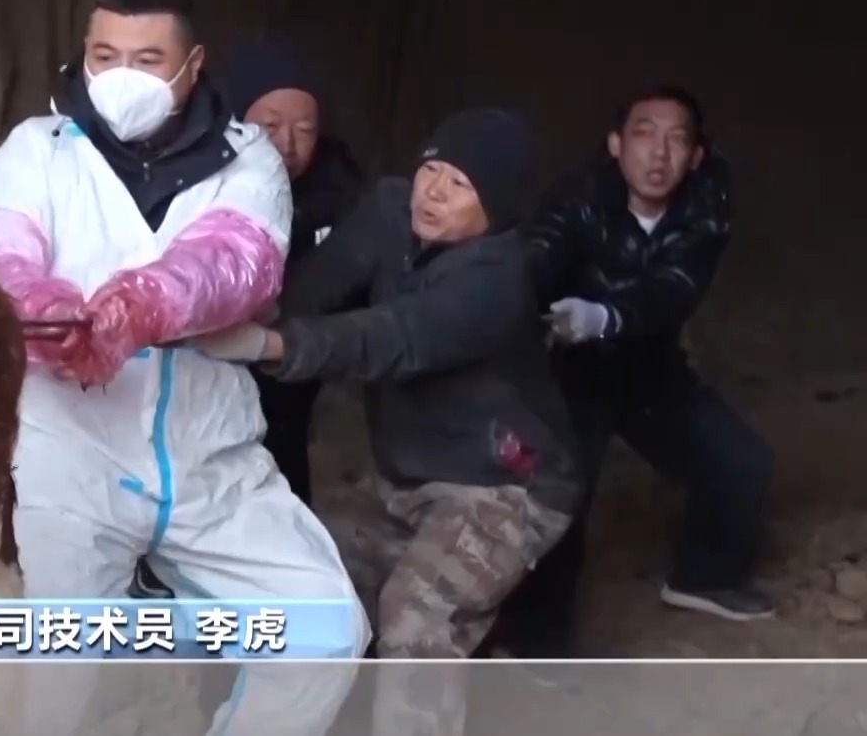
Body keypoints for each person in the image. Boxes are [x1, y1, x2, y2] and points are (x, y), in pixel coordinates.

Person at [0, 0, 366, 736]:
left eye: (147, 59)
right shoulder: (39, 149)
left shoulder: (247, 158)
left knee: (325, 631)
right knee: (44, 684)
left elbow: (236, 259)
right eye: (105, 55)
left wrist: (142, 306)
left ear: (192, 65)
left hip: (207, 459)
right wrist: (46, 315)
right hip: (68, 460)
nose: (122, 75)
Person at [200, 108, 582, 736]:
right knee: (310, 579)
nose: (434, 191)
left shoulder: (498, 279)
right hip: (408, 483)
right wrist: (234, 313)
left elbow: (393, 337)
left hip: (506, 490)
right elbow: (313, 289)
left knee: (418, 616)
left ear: (498, 209)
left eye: (460, 184)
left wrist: (268, 346)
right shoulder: (389, 212)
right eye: (432, 169)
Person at [495, 86, 773, 657]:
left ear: (695, 156)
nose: (659, 153)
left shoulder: (707, 206)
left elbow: (673, 290)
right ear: (616, 145)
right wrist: (529, 309)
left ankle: (704, 577)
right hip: (568, 367)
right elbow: (537, 259)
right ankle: (534, 638)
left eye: (677, 140)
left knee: (742, 462)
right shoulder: (578, 196)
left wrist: (606, 317)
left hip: (648, 364)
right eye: (644, 134)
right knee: (562, 493)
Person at [224, 43, 368, 507]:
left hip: (289, 362)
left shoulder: (339, 188)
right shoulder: (203, 177)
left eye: (304, 130)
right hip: (210, 360)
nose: (287, 145)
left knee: (281, 462)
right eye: (270, 127)